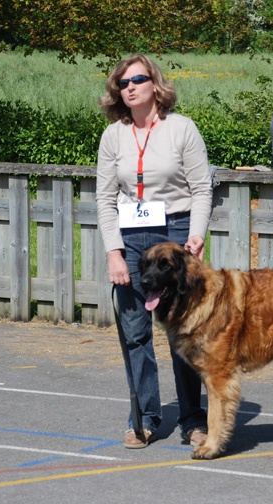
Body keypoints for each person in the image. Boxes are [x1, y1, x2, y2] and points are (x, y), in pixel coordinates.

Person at [95, 53, 211, 450]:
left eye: (137, 80)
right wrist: (113, 252)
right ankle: (143, 418)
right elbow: (106, 198)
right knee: (135, 333)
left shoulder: (182, 129)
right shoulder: (113, 136)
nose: (129, 88)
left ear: (155, 85)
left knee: (185, 332)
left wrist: (195, 236)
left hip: (175, 233)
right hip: (131, 238)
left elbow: (201, 189)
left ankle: (194, 419)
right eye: (122, 84)